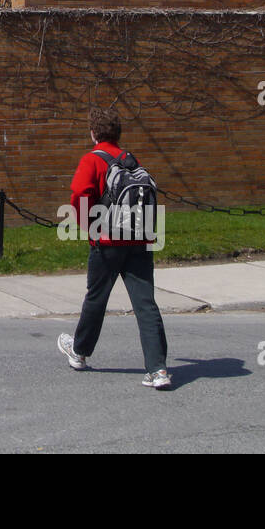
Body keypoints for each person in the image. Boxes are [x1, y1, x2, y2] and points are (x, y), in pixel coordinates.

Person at [57, 107, 171, 389]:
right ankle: (158, 371)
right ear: (118, 133)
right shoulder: (130, 160)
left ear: (93, 133)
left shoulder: (92, 160)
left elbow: (79, 195)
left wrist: (89, 226)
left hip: (107, 241)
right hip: (139, 240)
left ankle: (80, 353)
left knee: (96, 298)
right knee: (145, 304)